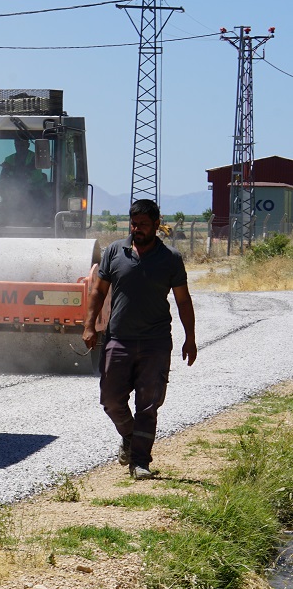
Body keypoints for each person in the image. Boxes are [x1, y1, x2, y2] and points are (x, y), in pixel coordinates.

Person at [83, 198, 197, 479]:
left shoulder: (170, 258)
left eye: (144, 224)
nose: (137, 229)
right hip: (118, 339)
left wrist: (190, 338)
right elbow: (98, 291)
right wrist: (89, 326)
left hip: (155, 342)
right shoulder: (115, 251)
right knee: (111, 400)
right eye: (134, 224)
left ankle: (140, 462)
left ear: (157, 225)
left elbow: (183, 301)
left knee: (148, 405)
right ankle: (130, 436)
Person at [0, 137, 49, 226]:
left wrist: (11, 168)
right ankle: (2, 219)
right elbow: (2, 178)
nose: (19, 147)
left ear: (28, 145)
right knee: (6, 199)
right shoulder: (9, 159)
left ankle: (38, 219)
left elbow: (25, 170)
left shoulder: (36, 158)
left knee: (41, 204)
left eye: (22, 145)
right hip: (15, 193)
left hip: (35, 191)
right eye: (17, 145)